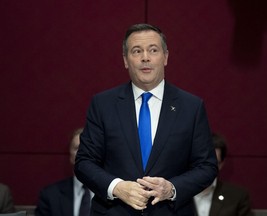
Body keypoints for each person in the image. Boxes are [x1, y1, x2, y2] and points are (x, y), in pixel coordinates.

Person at [74, 23, 218, 216]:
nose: (145, 57)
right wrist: (117, 187)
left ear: (165, 57)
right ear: (125, 60)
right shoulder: (103, 104)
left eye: (153, 50)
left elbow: (207, 167)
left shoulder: (191, 107)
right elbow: (84, 162)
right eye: (136, 51)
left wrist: (172, 188)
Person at [35, 128, 93, 216]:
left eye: (88, 147)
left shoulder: (114, 194)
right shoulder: (50, 196)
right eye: (77, 148)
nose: (82, 152)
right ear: (70, 156)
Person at [193, 133, 254, 216]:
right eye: (202, 162)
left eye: (213, 163)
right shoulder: (176, 194)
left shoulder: (237, 197)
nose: (206, 169)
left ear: (221, 164)